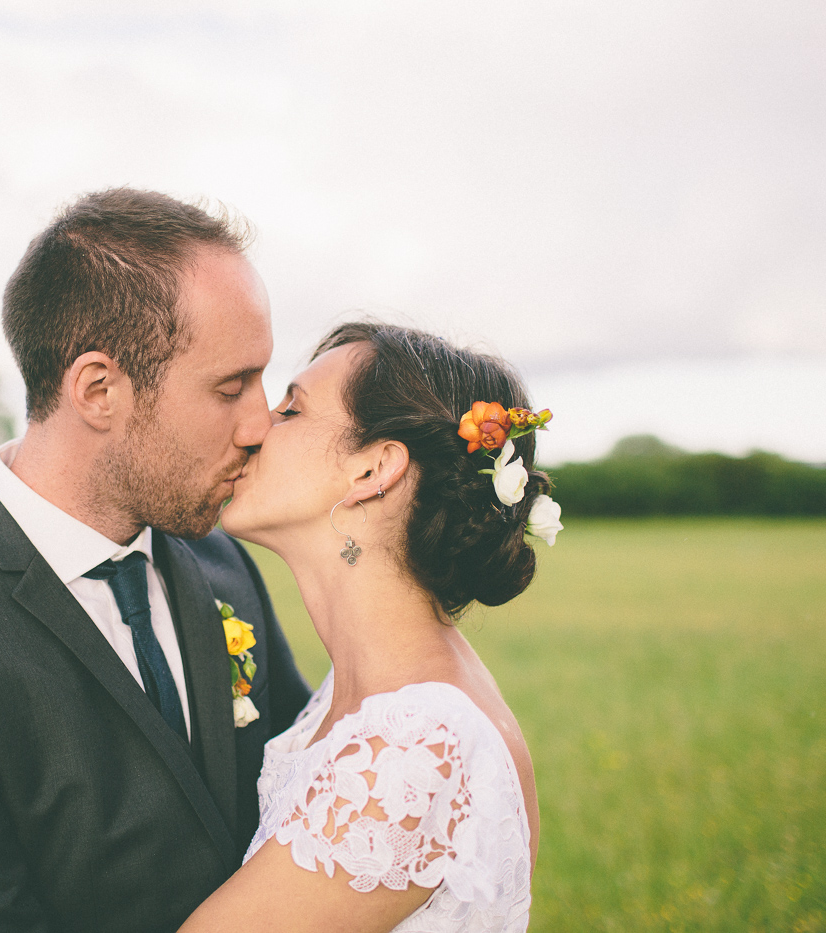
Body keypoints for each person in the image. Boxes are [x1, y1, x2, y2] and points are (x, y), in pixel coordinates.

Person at [0, 188, 312, 933]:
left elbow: (304, 802)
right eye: (231, 387)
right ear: (99, 389)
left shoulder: (224, 563)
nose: (261, 422)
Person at [182, 322, 556, 932]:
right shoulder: (361, 696)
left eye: (291, 410)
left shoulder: (416, 745)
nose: (253, 428)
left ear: (373, 469)